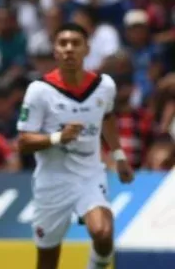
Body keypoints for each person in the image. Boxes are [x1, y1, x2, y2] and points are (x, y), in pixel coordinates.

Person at [17, 22, 135, 269]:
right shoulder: (39, 91)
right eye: (63, 44)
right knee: (47, 261)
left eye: (75, 43)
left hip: (89, 175)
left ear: (87, 49)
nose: (69, 49)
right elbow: (24, 142)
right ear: (55, 51)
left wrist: (119, 155)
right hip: (52, 182)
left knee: (103, 234)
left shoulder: (105, 86)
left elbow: (107, 117)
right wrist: (59, 137)